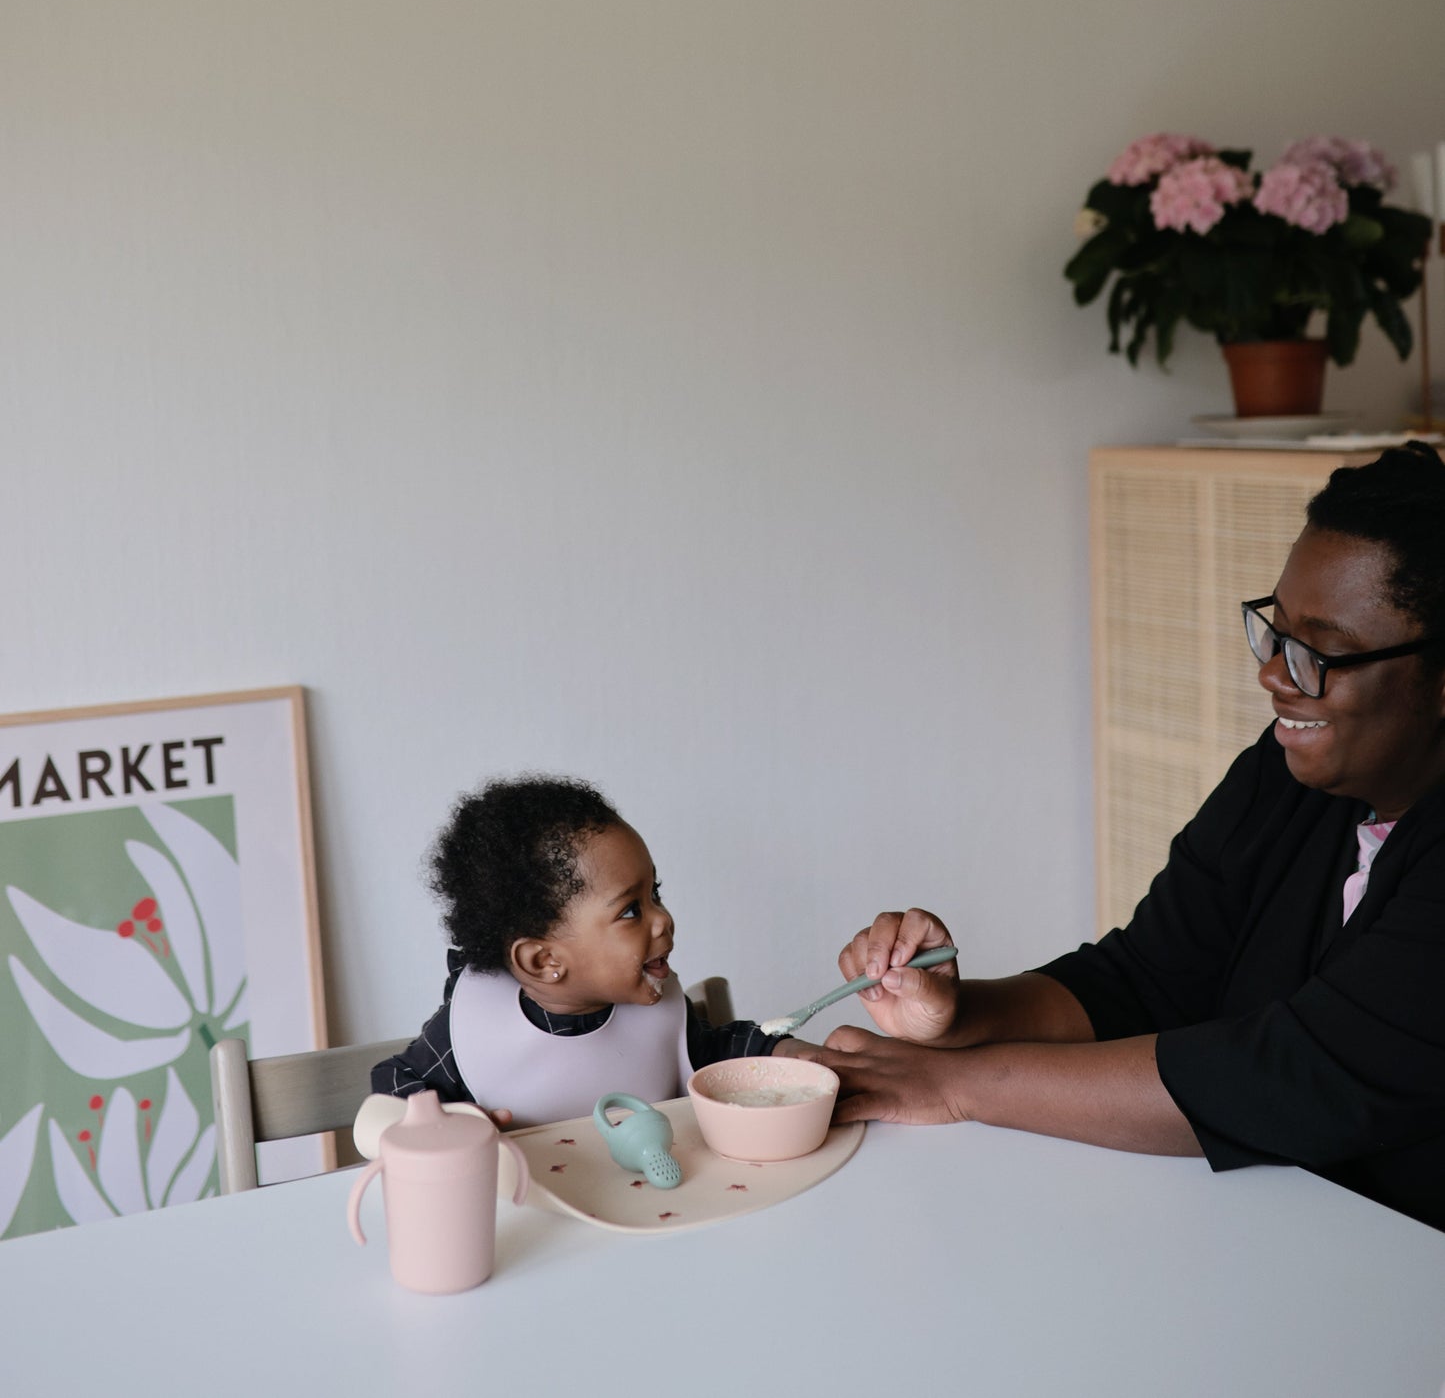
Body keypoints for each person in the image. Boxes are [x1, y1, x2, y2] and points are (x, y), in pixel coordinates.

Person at [803, 441, 1445, 1231]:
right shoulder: (1288, 776)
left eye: (1322, 652)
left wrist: (957, 1083)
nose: (1274, 674)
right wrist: (956, 1014)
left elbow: (1291, 1074)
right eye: (1272, 633)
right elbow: (1144, 977)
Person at [359, 774, 806, 1140]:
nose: (663, 920)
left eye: (656, 894)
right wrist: (453, 1127)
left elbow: (710, 1055)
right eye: (631, 909)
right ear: (542, 961)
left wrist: (781, 1052)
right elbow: (393, 1089)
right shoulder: (471, 1028)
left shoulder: (660, 1009)